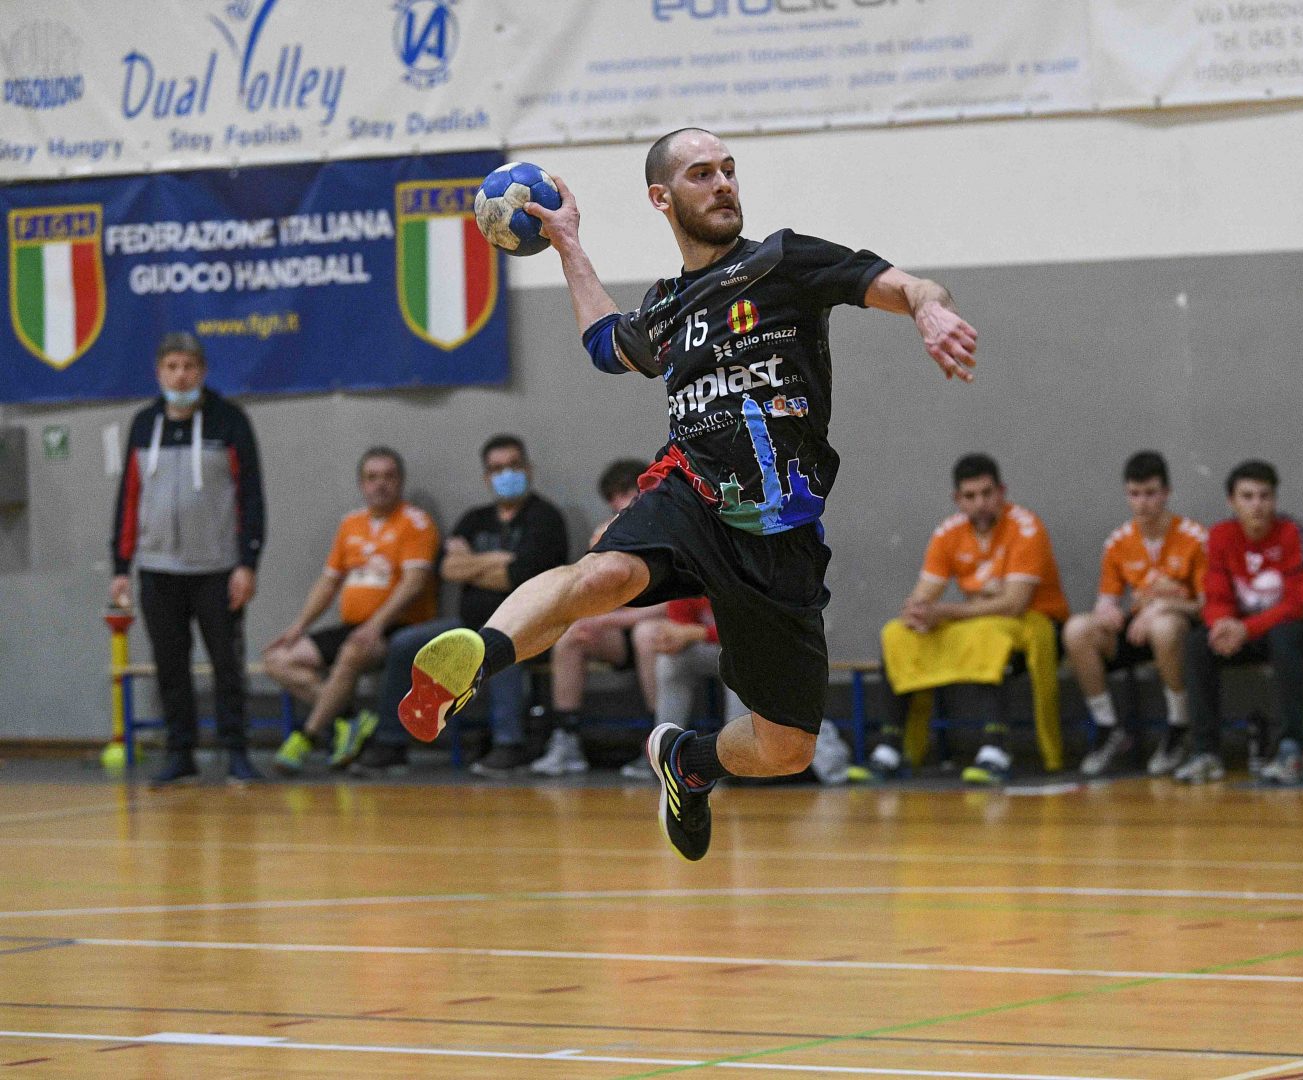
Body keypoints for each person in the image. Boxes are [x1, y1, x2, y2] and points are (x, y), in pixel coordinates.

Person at [399, 127, 978, 861]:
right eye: (702, 173)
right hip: (692, 489)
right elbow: (606, 344)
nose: (724, 183)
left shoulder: (785, 262)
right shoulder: (669, 305)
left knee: (786, 748)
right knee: (602, 575)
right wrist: (569, 243)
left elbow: (909, 285)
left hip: (781, 530)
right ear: (662, 197)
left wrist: (928, 308)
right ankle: (477, 659)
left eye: (729, 169)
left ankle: (688, 760)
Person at [350, 435, 569, 778]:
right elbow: (448, 569)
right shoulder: (475, 519)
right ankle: (391, 741)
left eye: (513, 466)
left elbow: (521, 576)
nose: (506, 474)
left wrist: (474, 563)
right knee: (405, 644)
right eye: (497, 468)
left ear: (528, 470)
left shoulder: (546, 518)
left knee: (502, 647)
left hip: (527, 625)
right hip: (468, 623)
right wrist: (499, 560)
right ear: (486, 476)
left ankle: (508, 743)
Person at [109, 332, 266, 785]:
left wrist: (247, 562)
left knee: (226, 665)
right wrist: (121, 567)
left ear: (203, 371)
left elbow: (251, 496)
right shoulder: (144, 424)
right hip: (158, 570)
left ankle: (236, 751)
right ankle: (181, 753)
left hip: (218, 570)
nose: (181, 375)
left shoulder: (230, 421)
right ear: (159, 372)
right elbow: (129, 498)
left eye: (189, 366)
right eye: (172, 367)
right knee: (170, 667)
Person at [860, 453, 1069, 785]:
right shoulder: (949, 532)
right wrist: (917, 611)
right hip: (980, 618)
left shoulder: (1026, 527)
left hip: (1037, 621)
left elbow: (1014, 603)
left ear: (1001, 492)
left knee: (988, 635)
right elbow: (925, 594)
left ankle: (995, 748)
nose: (980, 503)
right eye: (970, 496)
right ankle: (890, 747)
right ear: (957, 499)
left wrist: (943, 612)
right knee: (897, 634)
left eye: (987, 493)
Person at [263, 447, 438, 773]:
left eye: (388, 476)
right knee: (277, 658)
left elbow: (413, 584)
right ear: (362, 484)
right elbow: (328, 582)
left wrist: (376, 625)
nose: (380, 484)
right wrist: (299, 626)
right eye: (372, 477)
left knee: (352, 651)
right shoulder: (351, 524)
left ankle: (307, 737)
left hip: (398, 627)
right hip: (355, 625)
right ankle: (349, 719)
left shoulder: (416, 523)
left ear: (400, 481)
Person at [1175, 460, 1303, 785]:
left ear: (1275, 499)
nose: (1257, 505)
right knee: (1197, 644)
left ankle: (1290, 748)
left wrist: (1244, 629)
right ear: (1232, 502)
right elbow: (1215, 595)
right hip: (1246, 631)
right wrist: (1221, 625)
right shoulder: (1220, 536)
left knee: (1284, 637)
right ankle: (1205, 753)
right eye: (1247, 497)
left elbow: (1299, 603)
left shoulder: (1293, 534)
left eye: (1264, 496)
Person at [1063, 451, 1206, 778]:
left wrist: (1162, 606)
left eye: (1151, 493)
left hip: (1181, 627)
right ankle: (1108, 727)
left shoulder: (1194, 538)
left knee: (1164, 627)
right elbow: (1107, 600)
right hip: (1137, 628)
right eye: (1135, 494)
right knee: (1077, 629)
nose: (1143, 503)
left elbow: (1207, 606)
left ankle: (1180, 724)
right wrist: (1107, 612)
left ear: (1166, 492)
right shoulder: (1118, 542)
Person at [527, 459, 667, 778]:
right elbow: (590, 596)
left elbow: (672, 607)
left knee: (647, 634)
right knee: (572, 635)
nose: (620, 502)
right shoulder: (608, 533)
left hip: (659, 626)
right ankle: (566, 739)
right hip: (620, 629)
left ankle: (659, 741)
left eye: (627, 492)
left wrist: (608, 621)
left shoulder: (667, 530)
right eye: (612, 497)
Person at [619, 595, 746, 781]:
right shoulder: (692, 580)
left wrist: (695, 632)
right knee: (671, 661)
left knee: (740, 660)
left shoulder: (746, 580)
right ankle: (664, 753)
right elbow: (680, 624)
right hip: (713, 647)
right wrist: (673, 638)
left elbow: (751, 631)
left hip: (749, 651)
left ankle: (738, 756)